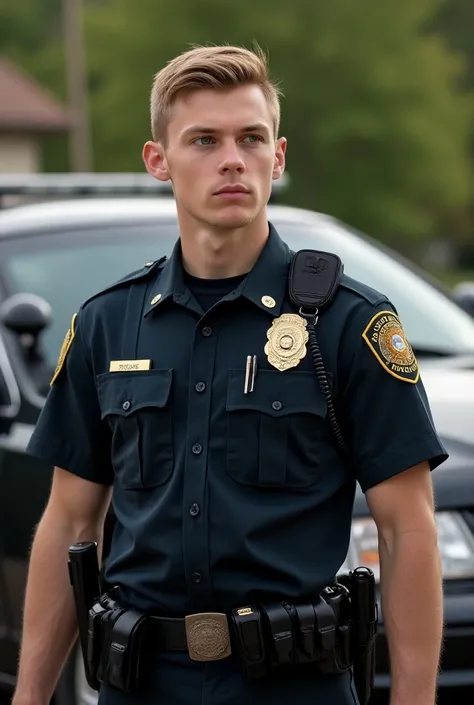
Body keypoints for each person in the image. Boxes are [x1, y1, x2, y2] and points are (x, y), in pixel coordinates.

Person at [12, 45, 446, 705]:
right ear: (159, 161)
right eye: (204, 140)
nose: (232, 159)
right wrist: (30, 695)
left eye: (252, 138)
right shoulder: (108, 324)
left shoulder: (346, 325)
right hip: (141, 683)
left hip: (295, 684)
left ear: (279, 156)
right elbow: (69, 521)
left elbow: (406, 527)